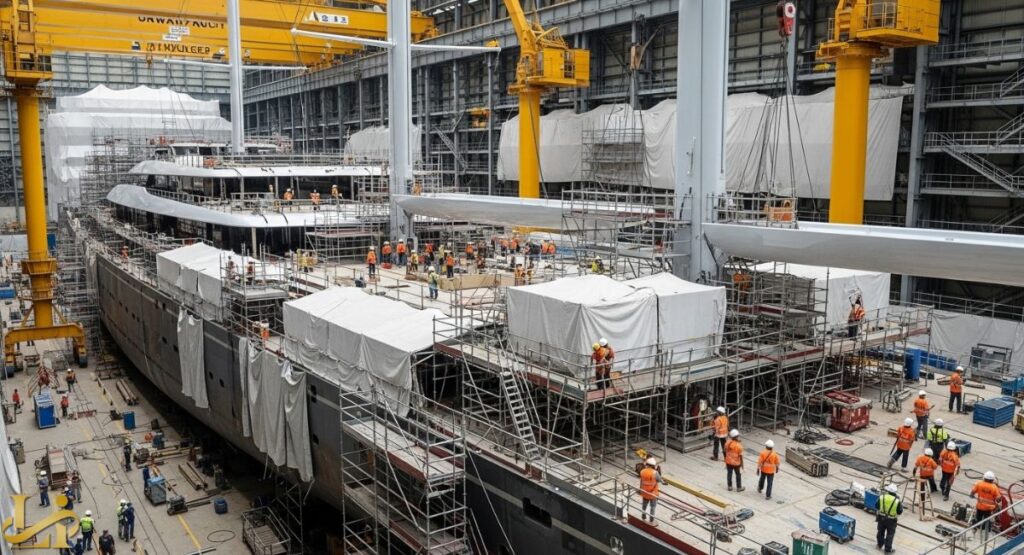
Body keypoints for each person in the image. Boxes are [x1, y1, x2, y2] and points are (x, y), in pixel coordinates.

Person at [875, 483, 903, 553]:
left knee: (880, 531)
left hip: (881, 518)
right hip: (891, 520)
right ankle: (887, 549)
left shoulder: (882, 497)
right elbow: (900, 511)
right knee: (890, 535)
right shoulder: (897, 500)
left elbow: (876, 506)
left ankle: (879, 544)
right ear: (895, 492)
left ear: (888, 490)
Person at [638, 457, 665, 526]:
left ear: (647, 464)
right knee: (652, 507)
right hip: (653, 493)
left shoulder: (642, 471)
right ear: (653, 465)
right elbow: (660, 480)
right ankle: (651, 520)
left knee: (644, 505)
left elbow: (641, 481)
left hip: (644, 492)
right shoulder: (655, 473)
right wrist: (664, 482)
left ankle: (643, 516)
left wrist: (640, 490)